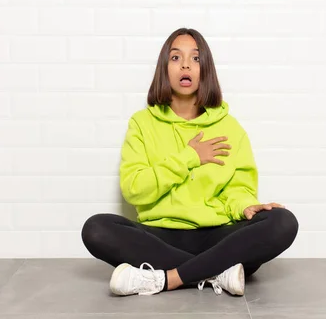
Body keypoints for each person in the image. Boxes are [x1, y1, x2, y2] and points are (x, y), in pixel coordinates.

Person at [81, 28, 299, 297]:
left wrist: (246, 206)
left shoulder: (230, 128)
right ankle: (216, 273)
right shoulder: (142, 123)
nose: (185, 65)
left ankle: (167, 278)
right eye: (175, 58)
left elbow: (237, 191)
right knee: (96, 228)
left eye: (195, 59)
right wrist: (189, 157)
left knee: (283, 221)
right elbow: (134, 188)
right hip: (159, 234)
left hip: (217, 236)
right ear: (164, 68)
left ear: (205, 69)